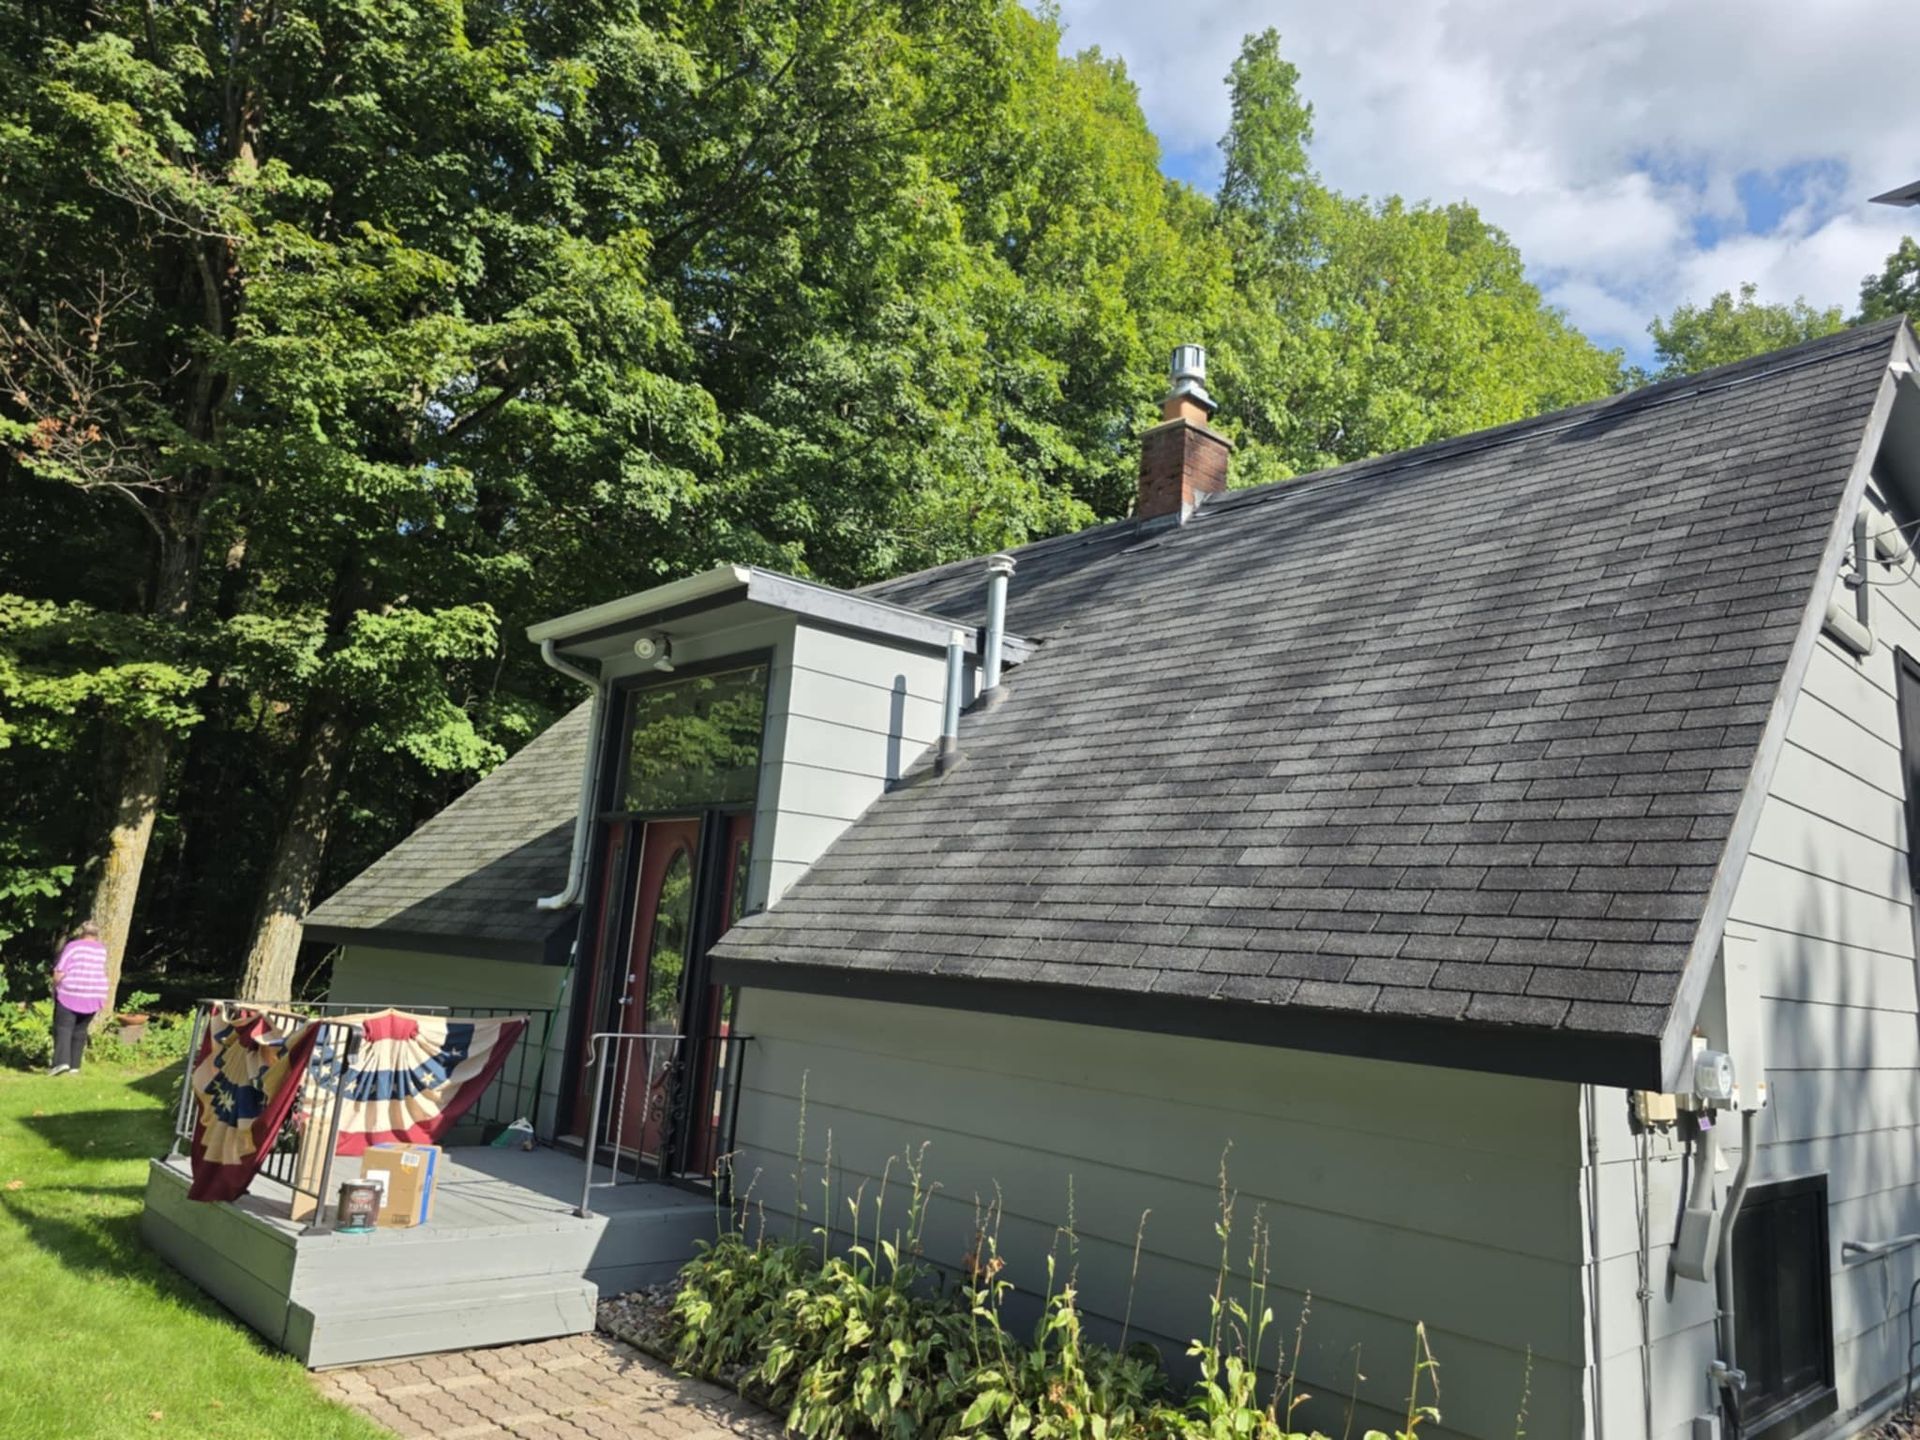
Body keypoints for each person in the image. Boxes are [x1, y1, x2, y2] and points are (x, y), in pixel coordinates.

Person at [49, 921, 109, 1076]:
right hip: (94, 995)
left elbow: (61, 970)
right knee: (80, 1030)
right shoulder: (101, 950)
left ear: (82, 932)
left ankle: (61, 1062)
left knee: (63, 1028)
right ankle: (75, 1065)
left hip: (71, 992)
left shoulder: (73, 947)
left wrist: (55, 985)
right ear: (96, 934)